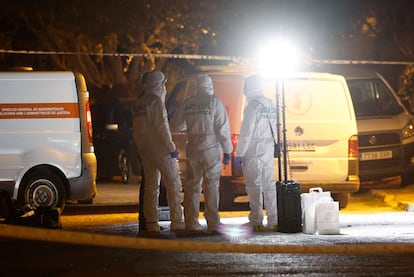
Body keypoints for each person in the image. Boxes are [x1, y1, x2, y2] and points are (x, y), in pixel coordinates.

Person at [171, 74, 232, 232]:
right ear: (210, 86)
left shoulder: (188, 103)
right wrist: (228, 151)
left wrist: (192, 125)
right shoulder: (214, 102)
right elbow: (222, 129)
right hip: (211, 148)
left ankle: (191, 223)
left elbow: (176, 125)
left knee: (192, 186)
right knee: (211, 185)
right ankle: (213, 223)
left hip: (193, 148)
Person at [131, 70, 184, 233]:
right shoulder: (155, 101)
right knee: (173, 184)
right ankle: (177, 222)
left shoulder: (139, 103)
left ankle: (151, 223)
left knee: (151, 188)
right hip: (161, 150)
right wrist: (171, 148)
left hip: (146, 151)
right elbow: (162, 127)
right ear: (158, 85)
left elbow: (137, 130)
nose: (165, 87)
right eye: (163, 84)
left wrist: (141, 149)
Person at [234, 74, 278, 232]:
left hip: (254, 147)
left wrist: (240, 153)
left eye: (245, 86)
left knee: (254, 185)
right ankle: (274, 219)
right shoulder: (271, 104)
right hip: (268, 147)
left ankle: (256, 220)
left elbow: (247, 132)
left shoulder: (253, 106)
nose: (244, 89)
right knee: (269, 185)